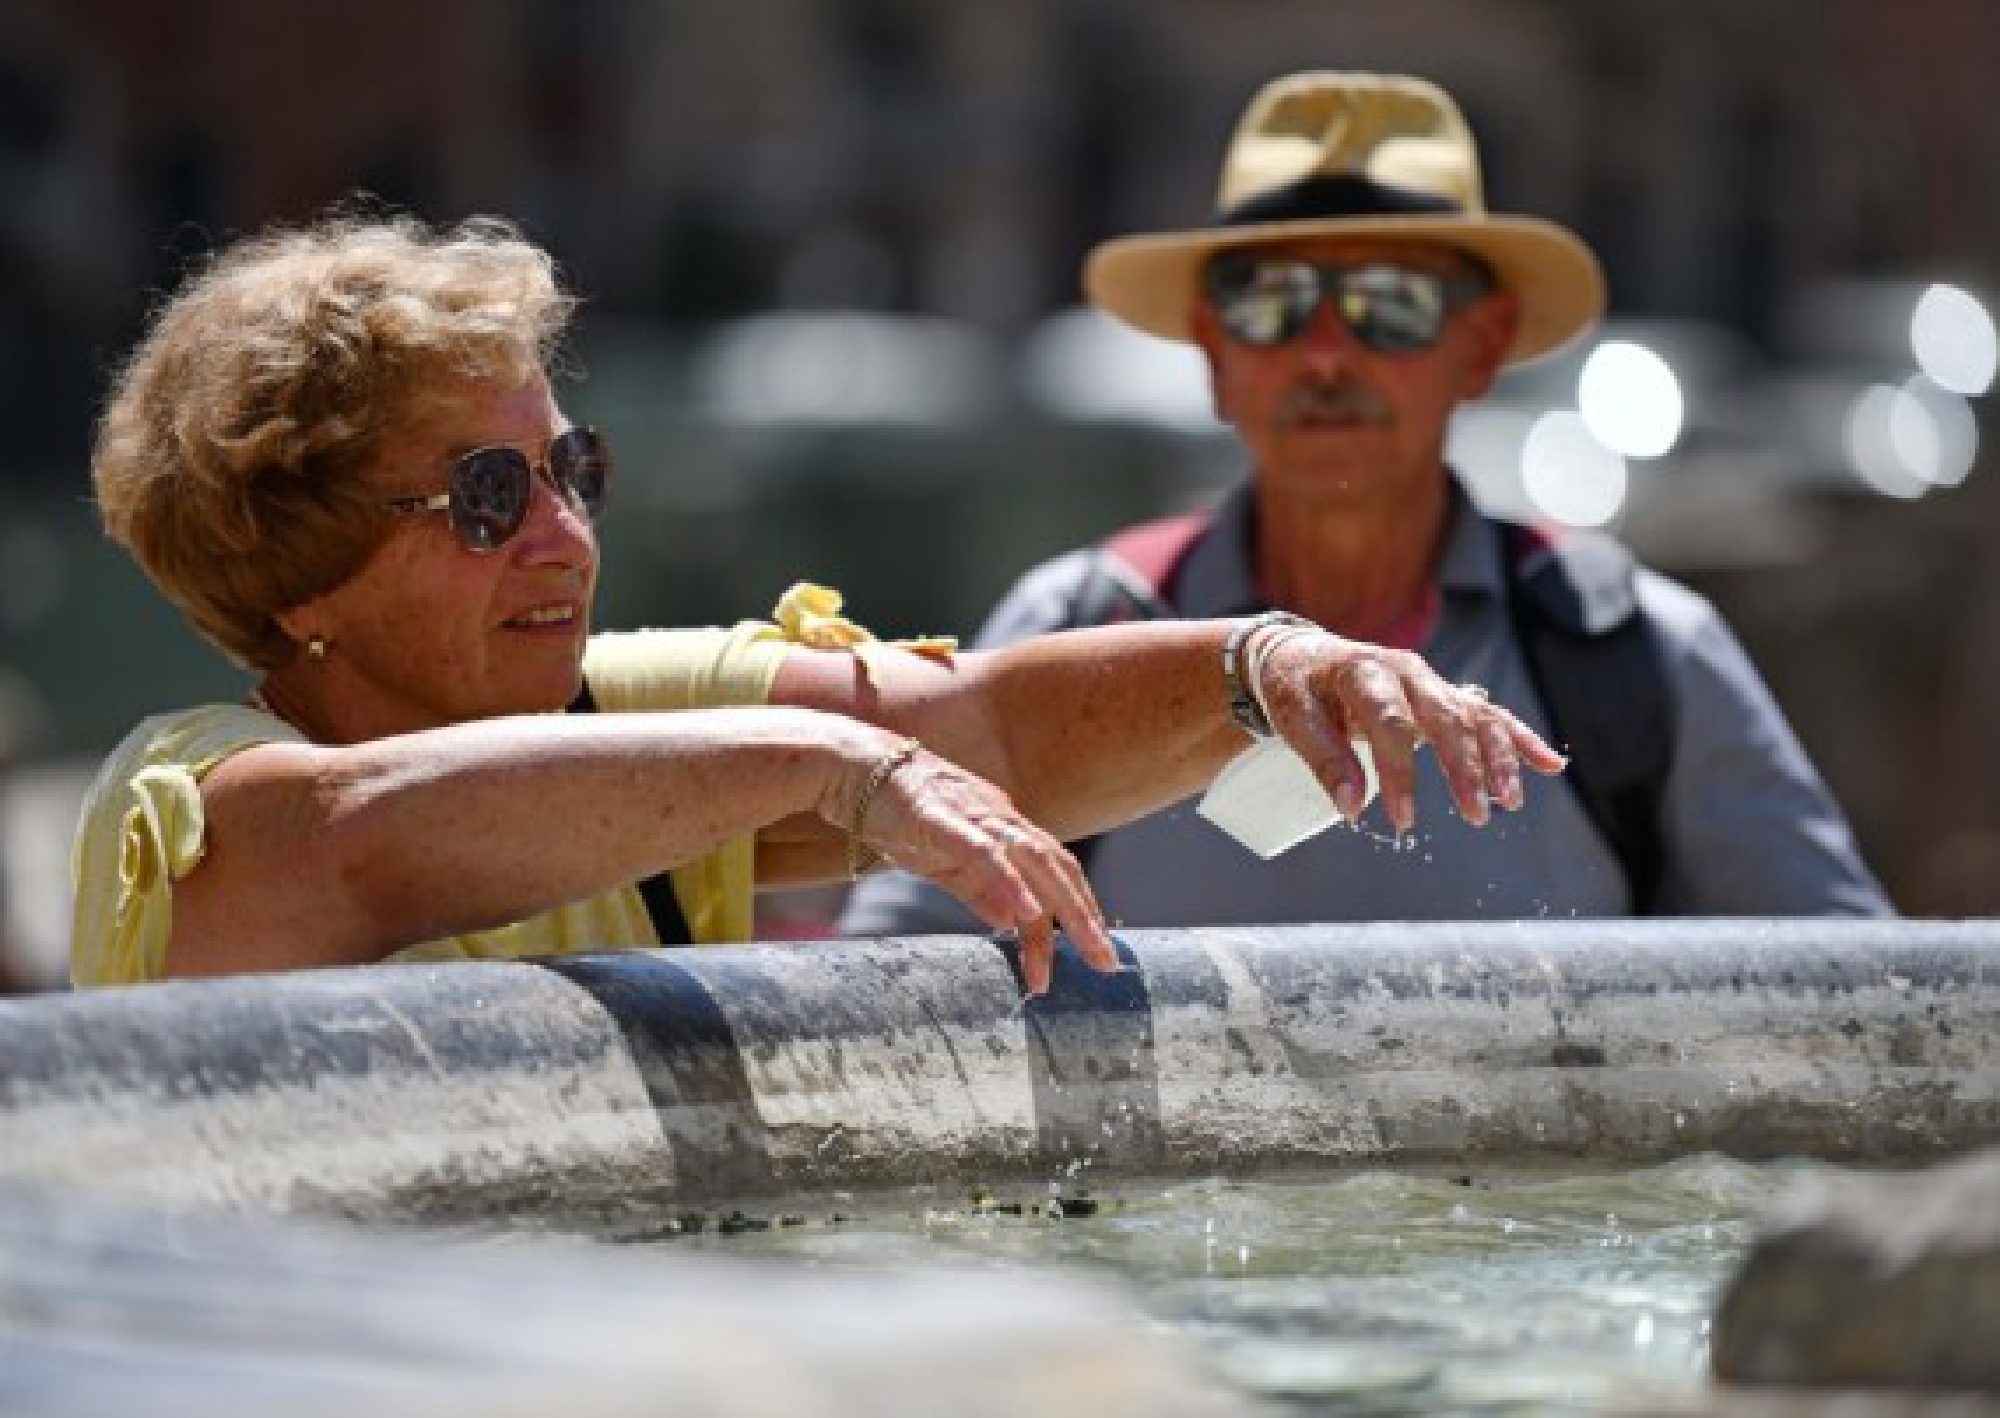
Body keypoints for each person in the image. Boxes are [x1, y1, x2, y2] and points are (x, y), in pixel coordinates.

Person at [69, 208, 1564, 995]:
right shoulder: (194, 795)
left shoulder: (604, 710)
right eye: (486, 496)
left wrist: (1269, 662)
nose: (563, 535)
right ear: (303, 561)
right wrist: (831, 762)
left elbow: (992, 727)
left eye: (570, 467)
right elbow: (367, 850)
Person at [845, 71, 1888, 937]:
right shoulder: (1082, 625)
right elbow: (883, 1009)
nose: (1328, 353)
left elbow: (1857, 1018)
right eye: (1272, 305)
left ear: (1478, 348)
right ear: (1214, 357)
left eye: (1390, 304)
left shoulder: (1634, 656)